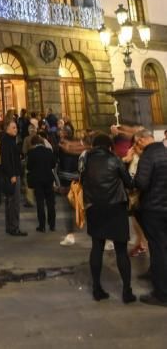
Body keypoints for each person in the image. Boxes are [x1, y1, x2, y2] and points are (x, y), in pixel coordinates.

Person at [80, 132, 135, 303]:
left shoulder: (86, 160)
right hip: (116, 208)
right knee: (121, 250)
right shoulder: (114, 159)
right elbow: (129, 183)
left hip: (94, 209)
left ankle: (97, 288)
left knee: (97, 247)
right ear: (109, 146)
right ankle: (127, 291)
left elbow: (82, 181)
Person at [133, 128, 167, 306]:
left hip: (154, 209)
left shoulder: (150, 155)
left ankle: (161, 293)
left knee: (158, 249)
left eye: (139, 141)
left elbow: (141, 182)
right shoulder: (163, 152)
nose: (138, 144)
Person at [0, 119, 27, 236]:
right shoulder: (6, 141)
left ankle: (10, 227)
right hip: (12, 175)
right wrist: (12, 175)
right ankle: (14, 227)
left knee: (10, 202)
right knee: (14, 202)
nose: (16, 129)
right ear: (7, 129)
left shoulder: (10, 140)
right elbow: (6, 160)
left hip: (13, 174)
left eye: (16, 127)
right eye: (13, 127)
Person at [26, 135, 56, 232]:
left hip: (38, 180)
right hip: (48, 179)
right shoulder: (48, 151)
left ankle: (42, 225)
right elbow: (53, 164)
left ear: (33, 143)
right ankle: (52, 225)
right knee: (50, 203)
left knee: (40, 202)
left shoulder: (31, 152)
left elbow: (29, 167)